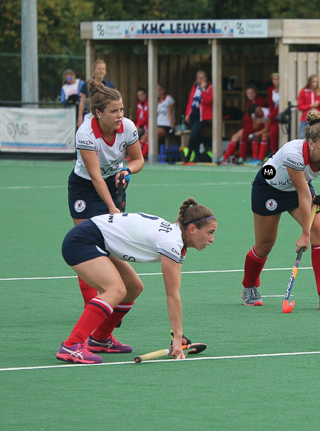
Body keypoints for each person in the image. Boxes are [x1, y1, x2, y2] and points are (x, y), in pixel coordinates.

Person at [56, 198, 217, 364]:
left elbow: (174, 292)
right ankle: (72, 345)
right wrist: (176, 337)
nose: (212, 239)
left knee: (133, 288)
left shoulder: (176, 239)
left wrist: (178, 335)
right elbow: (172, 294)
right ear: (192, 229)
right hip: (82, 242)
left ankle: (100, 338)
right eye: (210, 232)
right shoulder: (171, 242)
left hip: (99, 242)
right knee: (116, 290)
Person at [241, 109, 320, 310]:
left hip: (298, 186)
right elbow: (303, 193)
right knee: (265, 245)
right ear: (311, 144)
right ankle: (249, 286)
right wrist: (304, 233)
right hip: (268, 187)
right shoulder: (293, 154)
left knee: (319, 232)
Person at [68, 79, 145, 307]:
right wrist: (112, 207)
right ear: (98, 113)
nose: (120, 115)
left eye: (121, 109)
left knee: (110, 245)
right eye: (114, 111)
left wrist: (127, 170)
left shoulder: (128, 127)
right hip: (84, 188)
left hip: (114, 183)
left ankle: (111, 300)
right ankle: (92, 306)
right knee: (86, 245)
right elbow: (94, 176)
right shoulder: (85, 134)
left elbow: (139, 159)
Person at [184, 70, 213, 163]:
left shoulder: (209, 87)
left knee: (193, 136)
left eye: (202, 78)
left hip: (202, 116)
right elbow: (191, 101)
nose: (201, 80)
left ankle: (188, 156)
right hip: (193, 115)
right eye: (199, 78)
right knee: (196, 137)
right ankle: (197, 156)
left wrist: (204, 90)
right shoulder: (194, 87)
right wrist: (187, 114)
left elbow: (208, 100)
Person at [297, 75, 320, 139]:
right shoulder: (303, 91)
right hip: (305, 118)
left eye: (316, 82)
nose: (314, 84)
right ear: (309, 82)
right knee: (301, 138)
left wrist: (319, 103)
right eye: (313, 82)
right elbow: (300, 106)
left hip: (317, 119)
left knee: (317, 138)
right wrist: (310, 105)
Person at [156, 84, 176, 149]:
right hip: (158, 124)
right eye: (157, 90)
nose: (159, 92)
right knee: (144, 136)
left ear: (164, 90)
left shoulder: (168, 99)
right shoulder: (158, 101)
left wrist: (172, 127)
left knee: (152, 136)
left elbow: (170, 114)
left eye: (160, 89)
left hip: (166, 125)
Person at [267, 73, 281, 158]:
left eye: (277, 79)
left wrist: (273, 115)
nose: (275, 81)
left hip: (279, 115)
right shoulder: (270, 90)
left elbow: (280, 105)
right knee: (272, 134)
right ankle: (274, 153)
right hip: (273, 117)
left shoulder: (283, 90)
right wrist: (271, 115)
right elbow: (270, 104)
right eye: (274, 79)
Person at [134, 87, 149, 158]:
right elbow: (138, 117)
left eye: (142, 94)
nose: (141, 97)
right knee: (133, 136)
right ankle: (134, 156)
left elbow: (147, 117)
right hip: (141, 126)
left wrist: (138, 126)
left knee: (144, 137)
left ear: (146, 94)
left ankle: (140, 156)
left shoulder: (149, 103)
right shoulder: (139, 104)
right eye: (139, 95)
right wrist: (137, 126)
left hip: (147, 125)